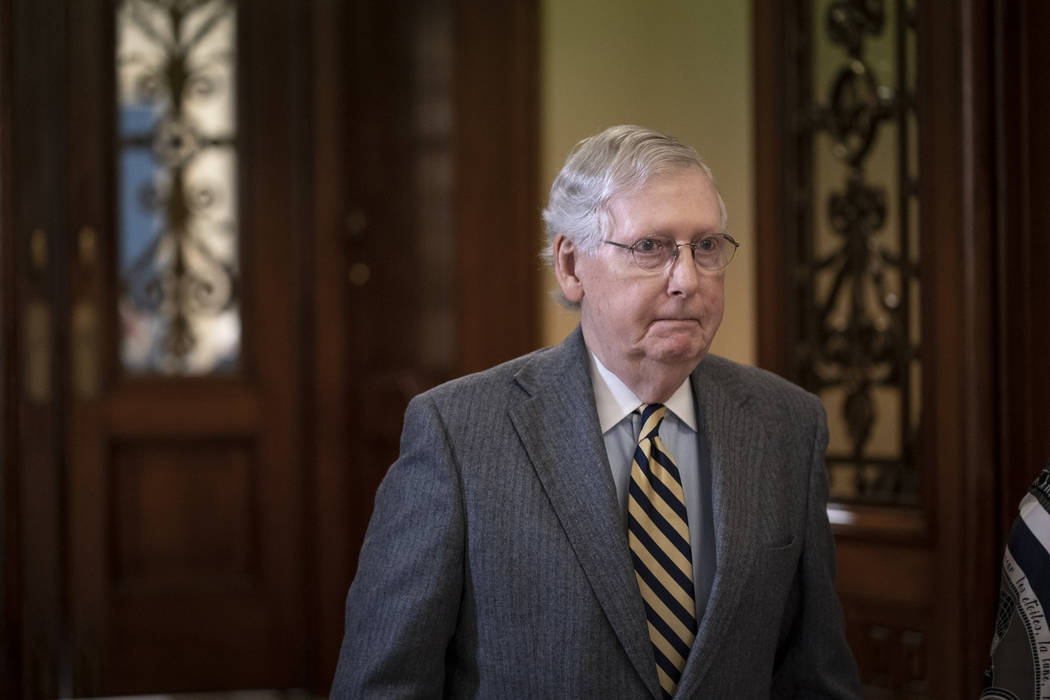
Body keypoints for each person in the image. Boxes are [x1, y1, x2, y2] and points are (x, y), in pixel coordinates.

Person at [331, 125, 862, 698]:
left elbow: (816, 676)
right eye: (650, 248)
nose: (687, 280)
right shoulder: (458, 433)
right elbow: (382, 686)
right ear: (571, 265)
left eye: (706, 247)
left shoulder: (787, 424)